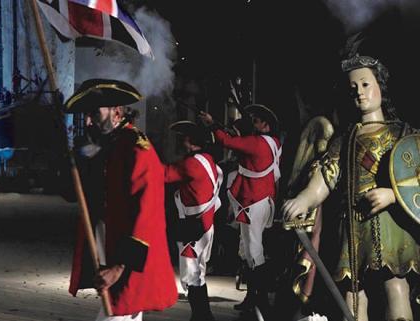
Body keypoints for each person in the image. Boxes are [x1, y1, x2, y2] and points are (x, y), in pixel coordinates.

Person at [282, 54, 420, 321]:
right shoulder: (344, 140)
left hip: (394, 226)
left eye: (365, 84)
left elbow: (414, 179)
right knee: (353, 296)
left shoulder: (404, 134)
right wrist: (304, 198)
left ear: (380, 86)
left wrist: (393, 194)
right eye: (353, 88)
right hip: (354, 226)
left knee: (396, 287)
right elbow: (326, 175)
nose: (360, 92)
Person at [66, 79, 178, 321]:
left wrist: (120, 267)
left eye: (94, 113)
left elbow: (147, 214)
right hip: (110, 248)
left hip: (129, 261)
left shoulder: (138, 150)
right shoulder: (109, 144)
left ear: (117, 112)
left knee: (118, 312)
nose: (88, 120)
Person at [199, 104, 282, 319]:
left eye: (257, 121)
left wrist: (211, 125)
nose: (253, 124)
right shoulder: (272, 142)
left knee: (253, 252)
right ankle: (253, 298)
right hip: (261, 200)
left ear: (265, 125)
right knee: (249, 249)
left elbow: (228, 142)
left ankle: (258, 301)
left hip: (253, 201)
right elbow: (238, 142)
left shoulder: (258, 143)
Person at [164, 120, 223, 321]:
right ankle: (202, 316)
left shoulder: (191, 163)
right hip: (205, 224)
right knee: (198, 274)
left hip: (193, 227)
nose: (181, 143)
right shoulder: (208, 159)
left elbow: (164, 175)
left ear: (190, 141)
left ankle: (201, 317)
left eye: (183, 139)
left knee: (190, 275)